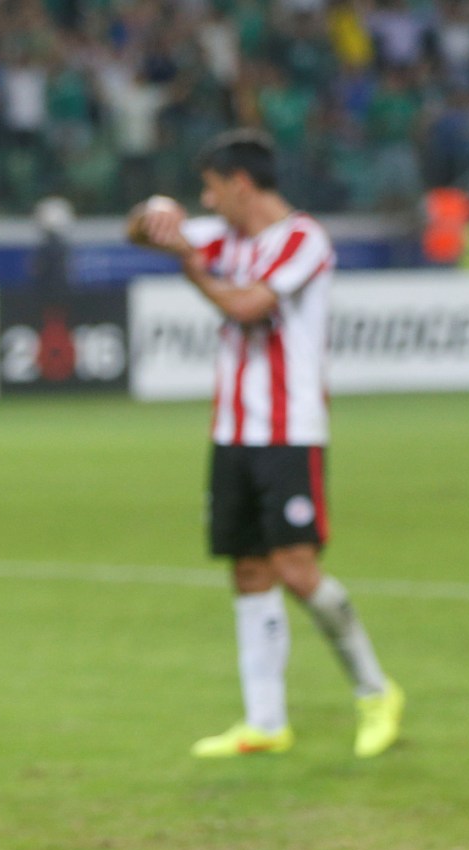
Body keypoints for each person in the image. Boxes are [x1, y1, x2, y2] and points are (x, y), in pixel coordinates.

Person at [126, 129, 405, 759]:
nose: (208, 199)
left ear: (240, 184)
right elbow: (139, 233)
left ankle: (374, 690)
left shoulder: (304, 240)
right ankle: (266, 721)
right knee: (248, 568)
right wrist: (155, 214)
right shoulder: (226, 237)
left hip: (291, 429)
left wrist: (189, 264)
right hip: (233, 431)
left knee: (295, 569)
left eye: (211, 187)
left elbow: (249, 306)